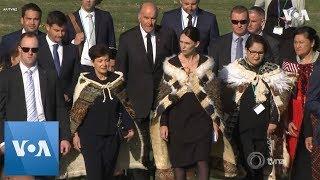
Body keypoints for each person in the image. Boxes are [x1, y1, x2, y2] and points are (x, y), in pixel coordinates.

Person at [116, 2, 179, 179]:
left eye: (153, 18)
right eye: (146, 18)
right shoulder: (127, 38)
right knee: (140, 150)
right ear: (139, 17)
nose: (150, 22)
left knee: (162, 150)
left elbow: (173, 66)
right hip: (137, 102)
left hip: (162, 101)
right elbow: (122, 74)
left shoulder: (167, 35)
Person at [219, 34, 294, 179]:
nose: (256, 55)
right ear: (246, 50)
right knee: (245, 162)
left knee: (260, 164)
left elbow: (278, 100)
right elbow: (225, 97)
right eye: (253, 51)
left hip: (263, 127)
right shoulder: (236, 69)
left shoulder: (272, 71)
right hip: (241, 125)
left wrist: (273, 120)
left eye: (260, 52)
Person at [0, 32, 71, 179]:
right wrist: (2, 142)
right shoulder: (6, 77)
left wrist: (65, 136)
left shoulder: (50, 75)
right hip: (18, 135)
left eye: (34, 49)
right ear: (19, 49)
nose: (30, 53)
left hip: (46, 134)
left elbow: (60, 107)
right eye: (26, 49)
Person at [61, 44, 135, 180]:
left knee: (109, 174)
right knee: (95, 175)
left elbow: (124, 106)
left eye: (106, 60)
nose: (104, 64)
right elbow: (77, 112)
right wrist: (75, 134)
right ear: (93, 63)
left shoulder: (116, 81)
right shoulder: (86, 83)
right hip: (90, 138)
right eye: (100, 61)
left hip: (112, 137)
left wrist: (129, 126)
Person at [283, 26, 320, 180]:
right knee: (294, 161)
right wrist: (286, 120)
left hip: (314, 117)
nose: (297, 46)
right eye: (295, 42)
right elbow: (283, 97)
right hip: (294, 115)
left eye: (301, 42)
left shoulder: (318, 64)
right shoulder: (289, 64)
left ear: (312, 43)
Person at [37, 11, 80, 109]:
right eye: (56, 30)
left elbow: (76, 74)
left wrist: (68, 94)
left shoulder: (71, 49)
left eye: (63, 30)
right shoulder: (37, 46)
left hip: (65, 105)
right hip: (42, 103)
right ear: (48, 27)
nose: (60, 34)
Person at [64, 0, 116, 72]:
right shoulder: (69, 19)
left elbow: (111, 41)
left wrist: (111, 61)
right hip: (79, 66)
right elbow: (63, 45)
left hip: (101, 66)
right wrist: (74, 42)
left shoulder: (105, 17)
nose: (88, 0)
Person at [209, 5, 250, 74]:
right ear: (230, 20)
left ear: (248, 21)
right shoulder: (218, 43)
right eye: (235, 22)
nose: (239, 25)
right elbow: (212, 72)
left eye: (243, 22)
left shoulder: (257, 42)